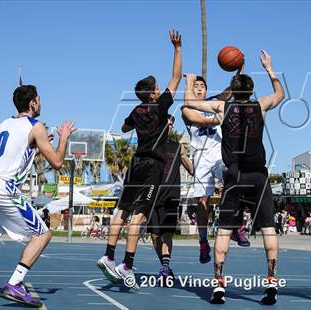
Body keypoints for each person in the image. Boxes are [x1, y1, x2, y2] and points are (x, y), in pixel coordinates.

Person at [184, 49, 285, 305]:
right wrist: (270, 69)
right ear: (251, 91)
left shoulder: (222, 107)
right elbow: (281, 95)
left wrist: (188, 82)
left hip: (234, 175)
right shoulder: (260, 106)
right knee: (268, 229)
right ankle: (271, 283)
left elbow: (190, 103)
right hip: (258, 176)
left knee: (224, 232)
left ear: (232, 88)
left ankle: (219, 287)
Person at [96, 29, 182, 287]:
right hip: (153, 165)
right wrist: (177, 49)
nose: (159, 87)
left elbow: (124, 128)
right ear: (154, 94)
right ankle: (127, 265)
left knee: (121, 211)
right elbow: (176, 77)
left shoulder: (135, 111)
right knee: (138, 217)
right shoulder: (161, 106)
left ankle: (108, 255)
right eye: (157, 86)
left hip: (135, 163)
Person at [0, 85, 75, 307]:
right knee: (42, 234)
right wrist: (63, 138)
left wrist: (36, 146)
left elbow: (13, 154)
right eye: (39, 100)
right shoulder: (35, 126)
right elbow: (58, 163)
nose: (41, 103)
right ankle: (15, 283)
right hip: (4, 188)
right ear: (32, 103)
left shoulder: (4, 124)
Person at [182, 75, 250, 264]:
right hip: (201, 156)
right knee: (202, 201)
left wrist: (239, 70)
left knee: (233, 183)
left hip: (220, 152)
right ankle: (203, 242)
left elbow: (230, 91)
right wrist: (221, 117)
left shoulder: (215, 102)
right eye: (195, 86)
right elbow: (203, 121)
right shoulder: (186, 109)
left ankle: (235, 227)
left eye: (202, 85)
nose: (199, 88)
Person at [148, 115, 194, 281]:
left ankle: (165, 268)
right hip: (153, 197)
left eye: (170, 125)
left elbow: (191, 169)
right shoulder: (151, 146)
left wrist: (191, 161)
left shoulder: (177, 147)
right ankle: (165, 265)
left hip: (171, 197)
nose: (168, 127)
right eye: (166, 124)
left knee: (166, 234)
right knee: (154, 237)